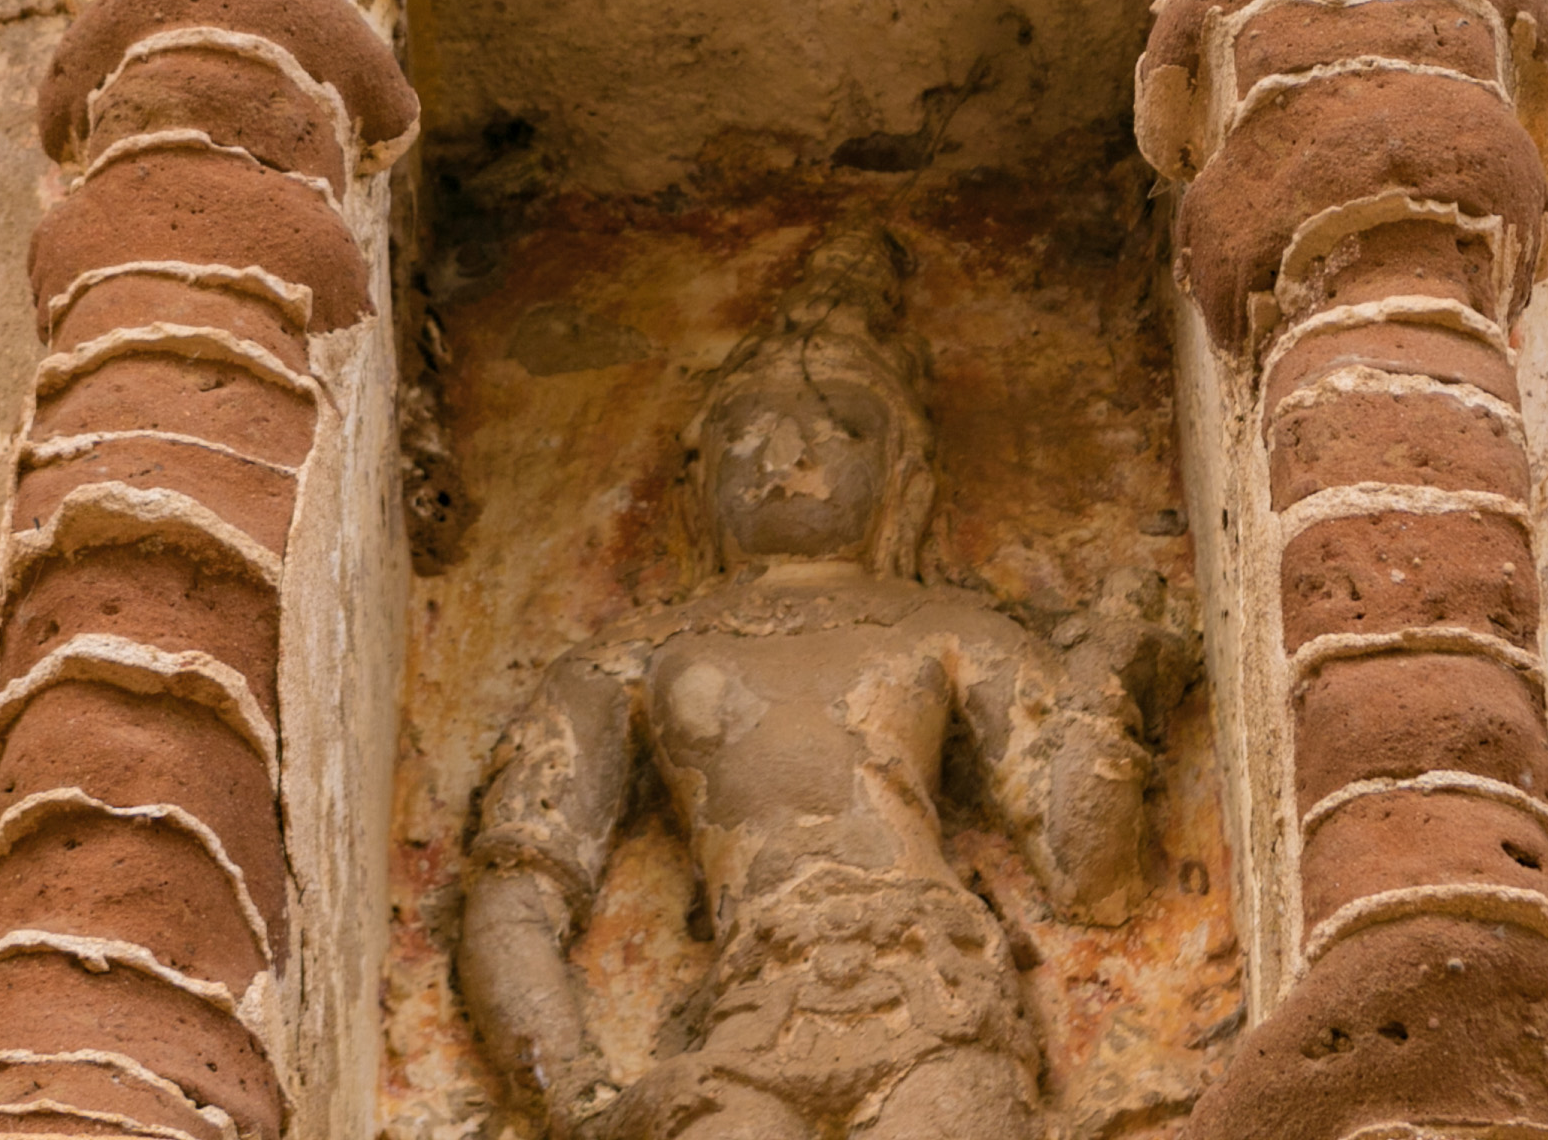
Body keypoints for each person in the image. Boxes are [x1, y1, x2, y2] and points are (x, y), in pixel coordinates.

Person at [460, 233, 1149, 1140]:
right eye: (748, 428)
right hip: (748, 1011)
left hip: (935, 992)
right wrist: (579, 1098)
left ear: (903, 475)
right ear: (698, 469)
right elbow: (515, 890)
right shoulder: (630, 658)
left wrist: (1103, 684)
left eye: (842, 429)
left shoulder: (948, 627)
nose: (786, 454)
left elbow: (1091, 875)